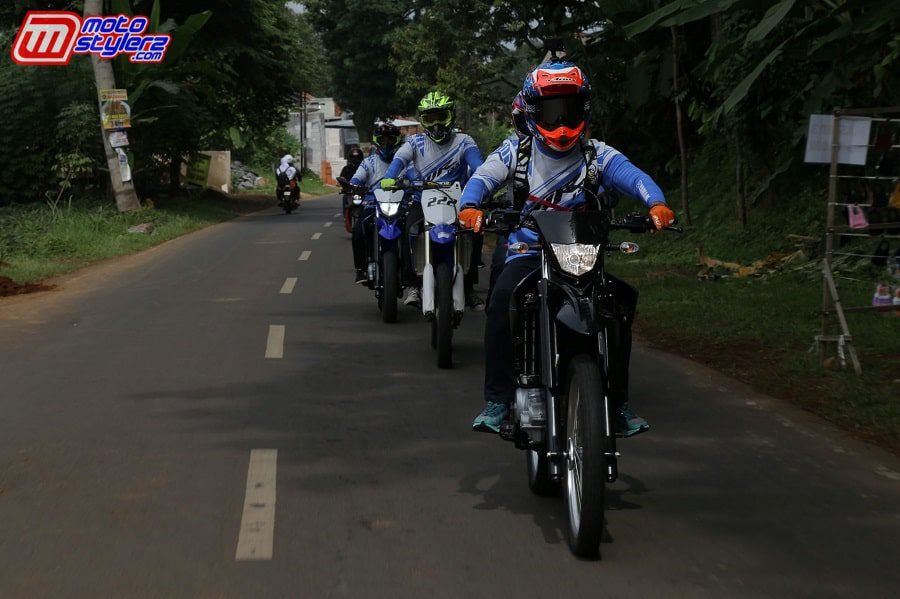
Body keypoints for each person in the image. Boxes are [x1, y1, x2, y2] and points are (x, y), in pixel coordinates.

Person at [459, 61, 676, 437]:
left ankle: (618, 403)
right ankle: (497, 400)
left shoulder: (598, 154)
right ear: (531, 111)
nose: (561, 122)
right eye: (550, 110)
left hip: (583, 255)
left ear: (584, 109)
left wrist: (655, 204)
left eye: (569, 109)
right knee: (501, 301)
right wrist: (470, 207)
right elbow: (481, 179)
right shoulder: (516, 152)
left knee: (620, 301)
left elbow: (635, 178)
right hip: (528, 254)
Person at [380, 91, 486, 310]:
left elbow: (478, 167)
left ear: (451, 116)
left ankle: (468, 286)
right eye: (430, 118)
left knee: (474, 232)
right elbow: (399, 161)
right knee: (408, 229)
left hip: (457, 202)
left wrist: (484, 181)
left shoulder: (464, 141)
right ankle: (413, 285)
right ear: (422, 121)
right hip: (422, 200)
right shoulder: (415, 142)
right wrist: (389, 177)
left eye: (441, 117)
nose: (436, 124)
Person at [349, 122, 415, 284]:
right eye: (382, 140)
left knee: (413, 231)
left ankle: (412, 270)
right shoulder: (368, 162)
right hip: (373, 205)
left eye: (390, 140)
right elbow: (356, 179)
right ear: (376, 141)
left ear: (397, 140)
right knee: (358, 231)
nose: (386, 144)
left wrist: (416, 183)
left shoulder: (406, 162)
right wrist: (354, 186)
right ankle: (361, 269)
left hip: (401, 206)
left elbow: (416, 177)